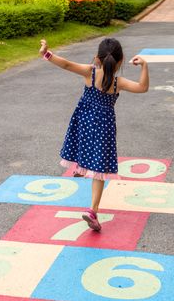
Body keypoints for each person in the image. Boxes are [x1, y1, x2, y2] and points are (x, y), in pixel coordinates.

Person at [39, 38, 149, 232]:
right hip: (104, 126)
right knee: (99, 169)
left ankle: (81, 167)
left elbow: (65, 64)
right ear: (121, 61)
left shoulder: (89, 72)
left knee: (82, 142)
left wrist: (47, 53)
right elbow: (143, 88)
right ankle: (93, 210)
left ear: (97, 58)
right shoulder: (118, 82)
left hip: (84, 120)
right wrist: (144, 67)